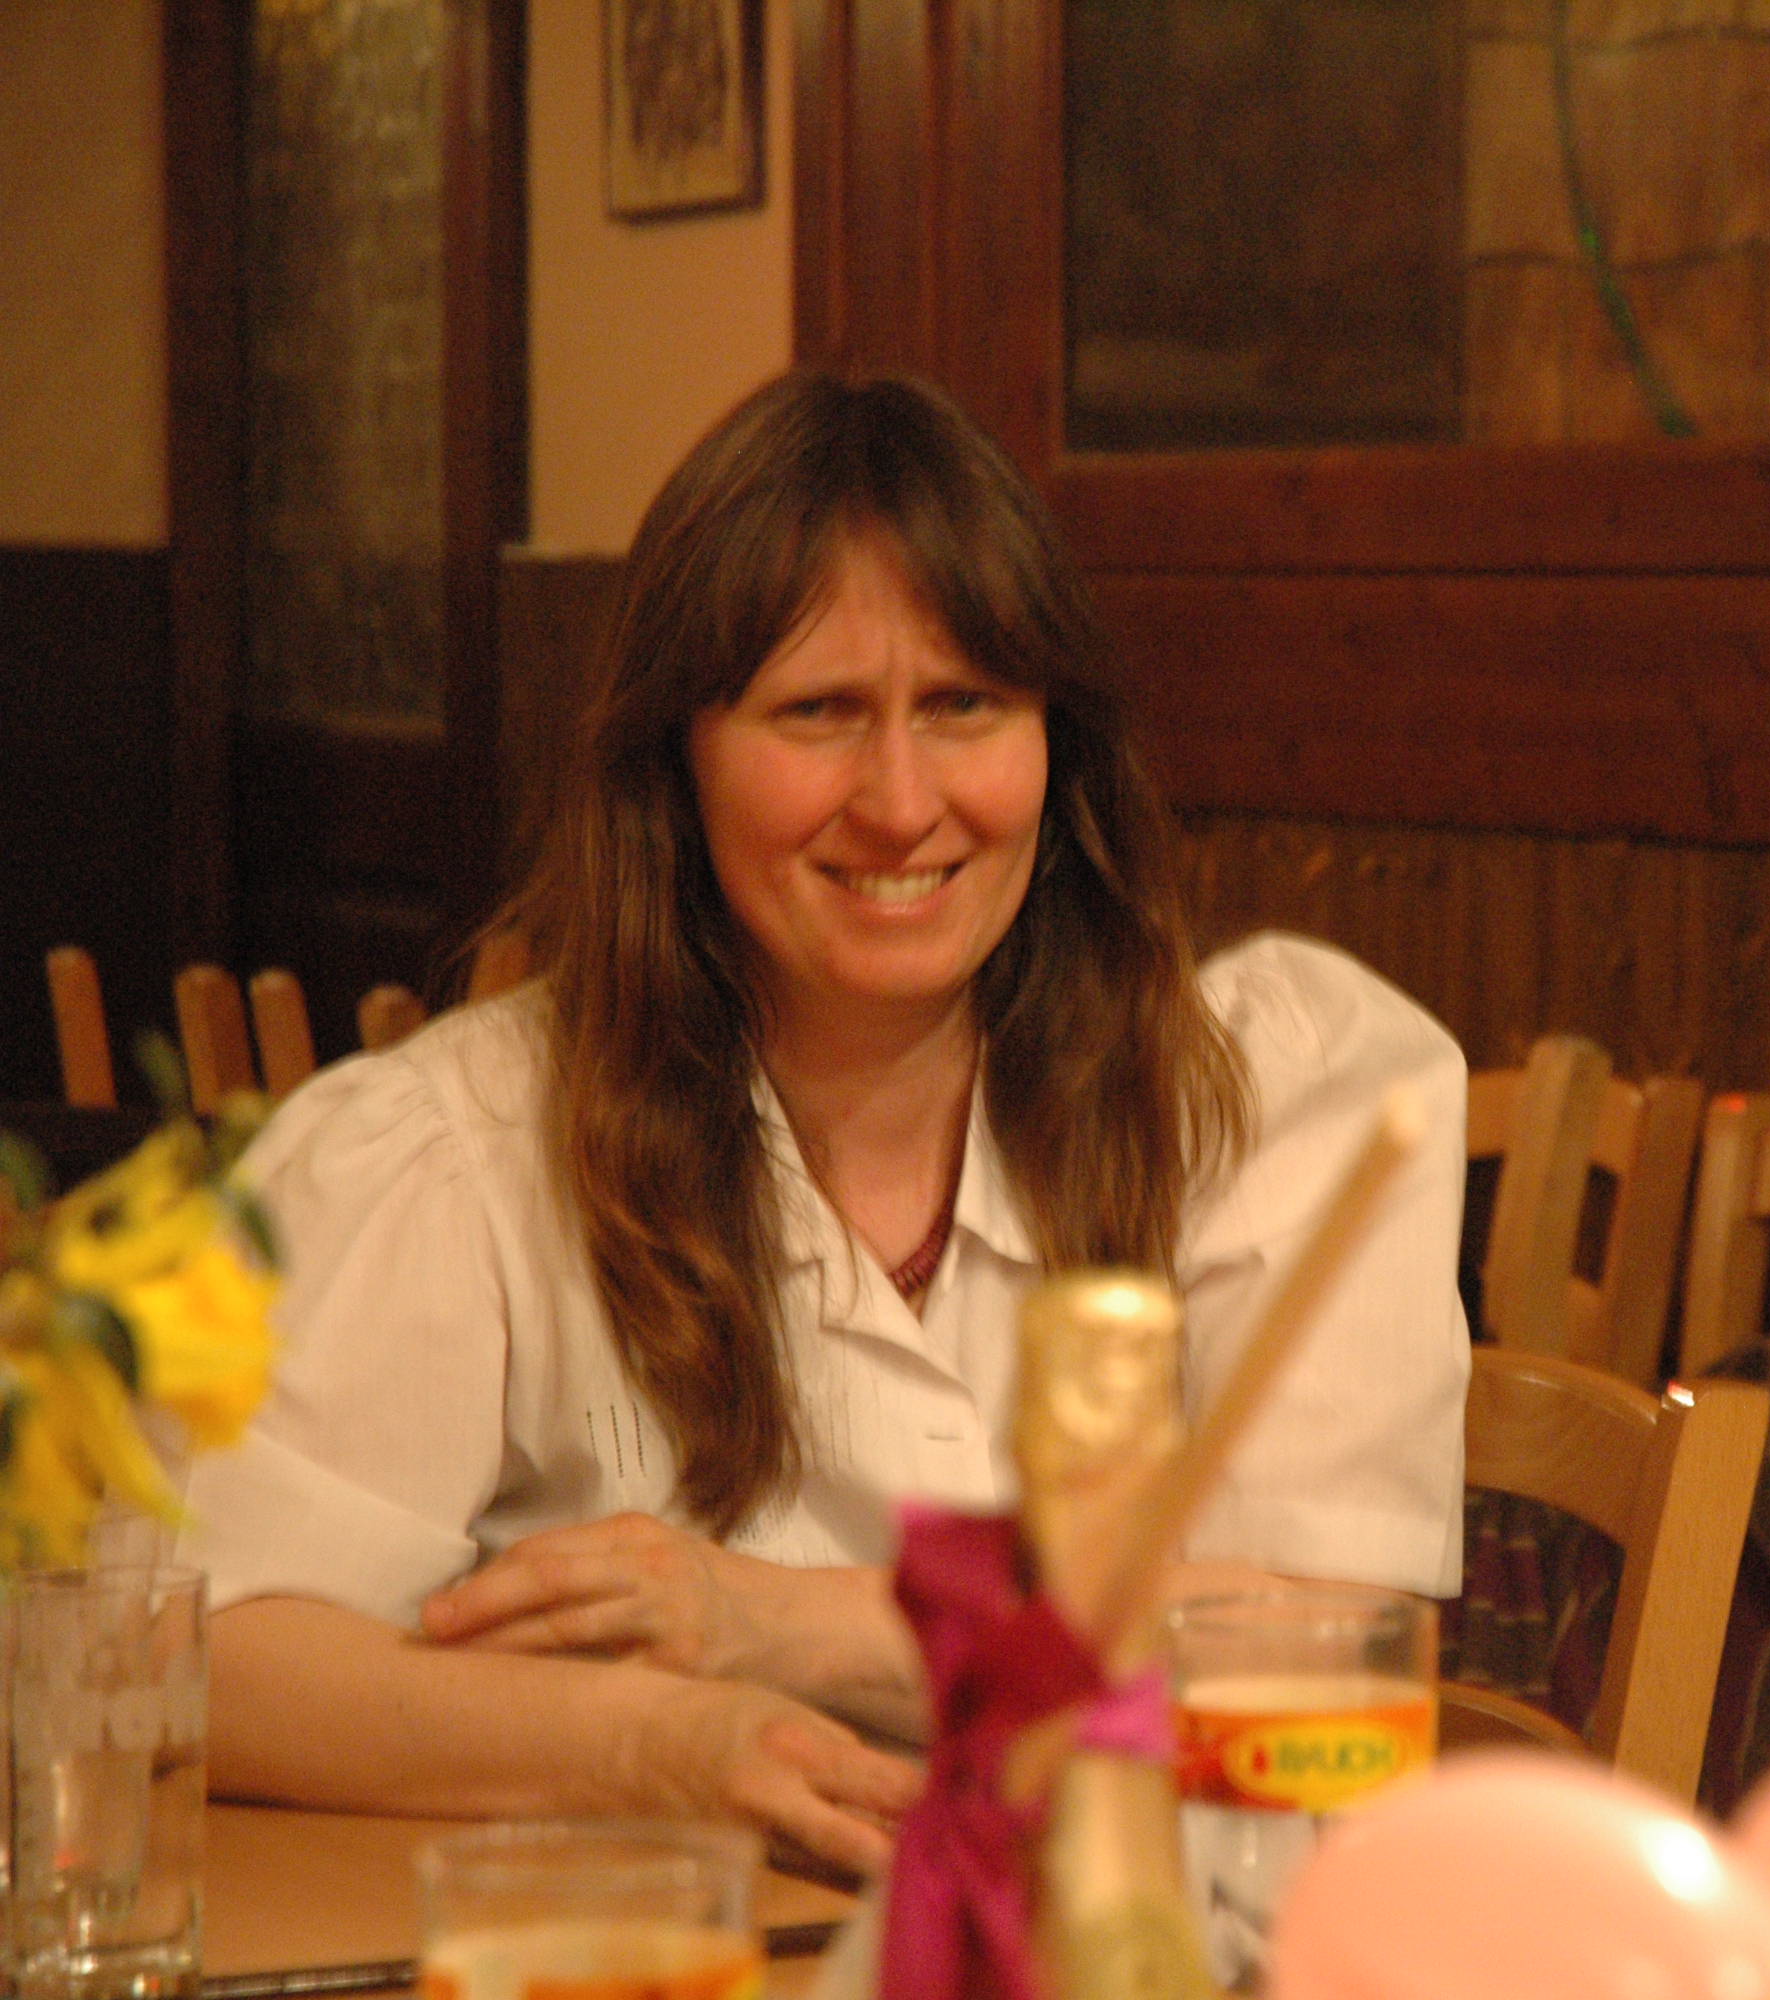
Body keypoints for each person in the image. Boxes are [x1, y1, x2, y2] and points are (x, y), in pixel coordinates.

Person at [184, 371, 1471, 1874]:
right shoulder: (467, 1148)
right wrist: (655, 1745)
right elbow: (205, 1650)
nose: (902, 802)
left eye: (965, 706)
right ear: (676, 761)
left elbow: (1323, 1688)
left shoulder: (1269, 1102)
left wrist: (771, 1623)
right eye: (819, 714)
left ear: (1057, 745)